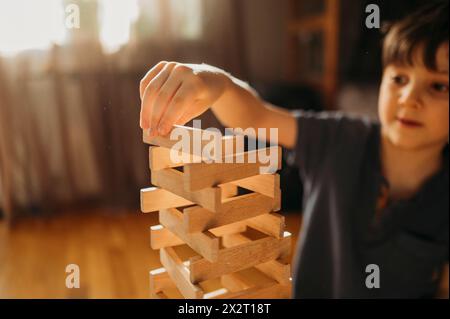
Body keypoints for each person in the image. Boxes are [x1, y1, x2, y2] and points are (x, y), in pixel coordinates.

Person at [138, 2, 449, 298]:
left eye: (439, 86)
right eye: (399, 78)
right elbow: (256, 117)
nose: (409, 98)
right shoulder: (339, 138)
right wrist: (214, 82)